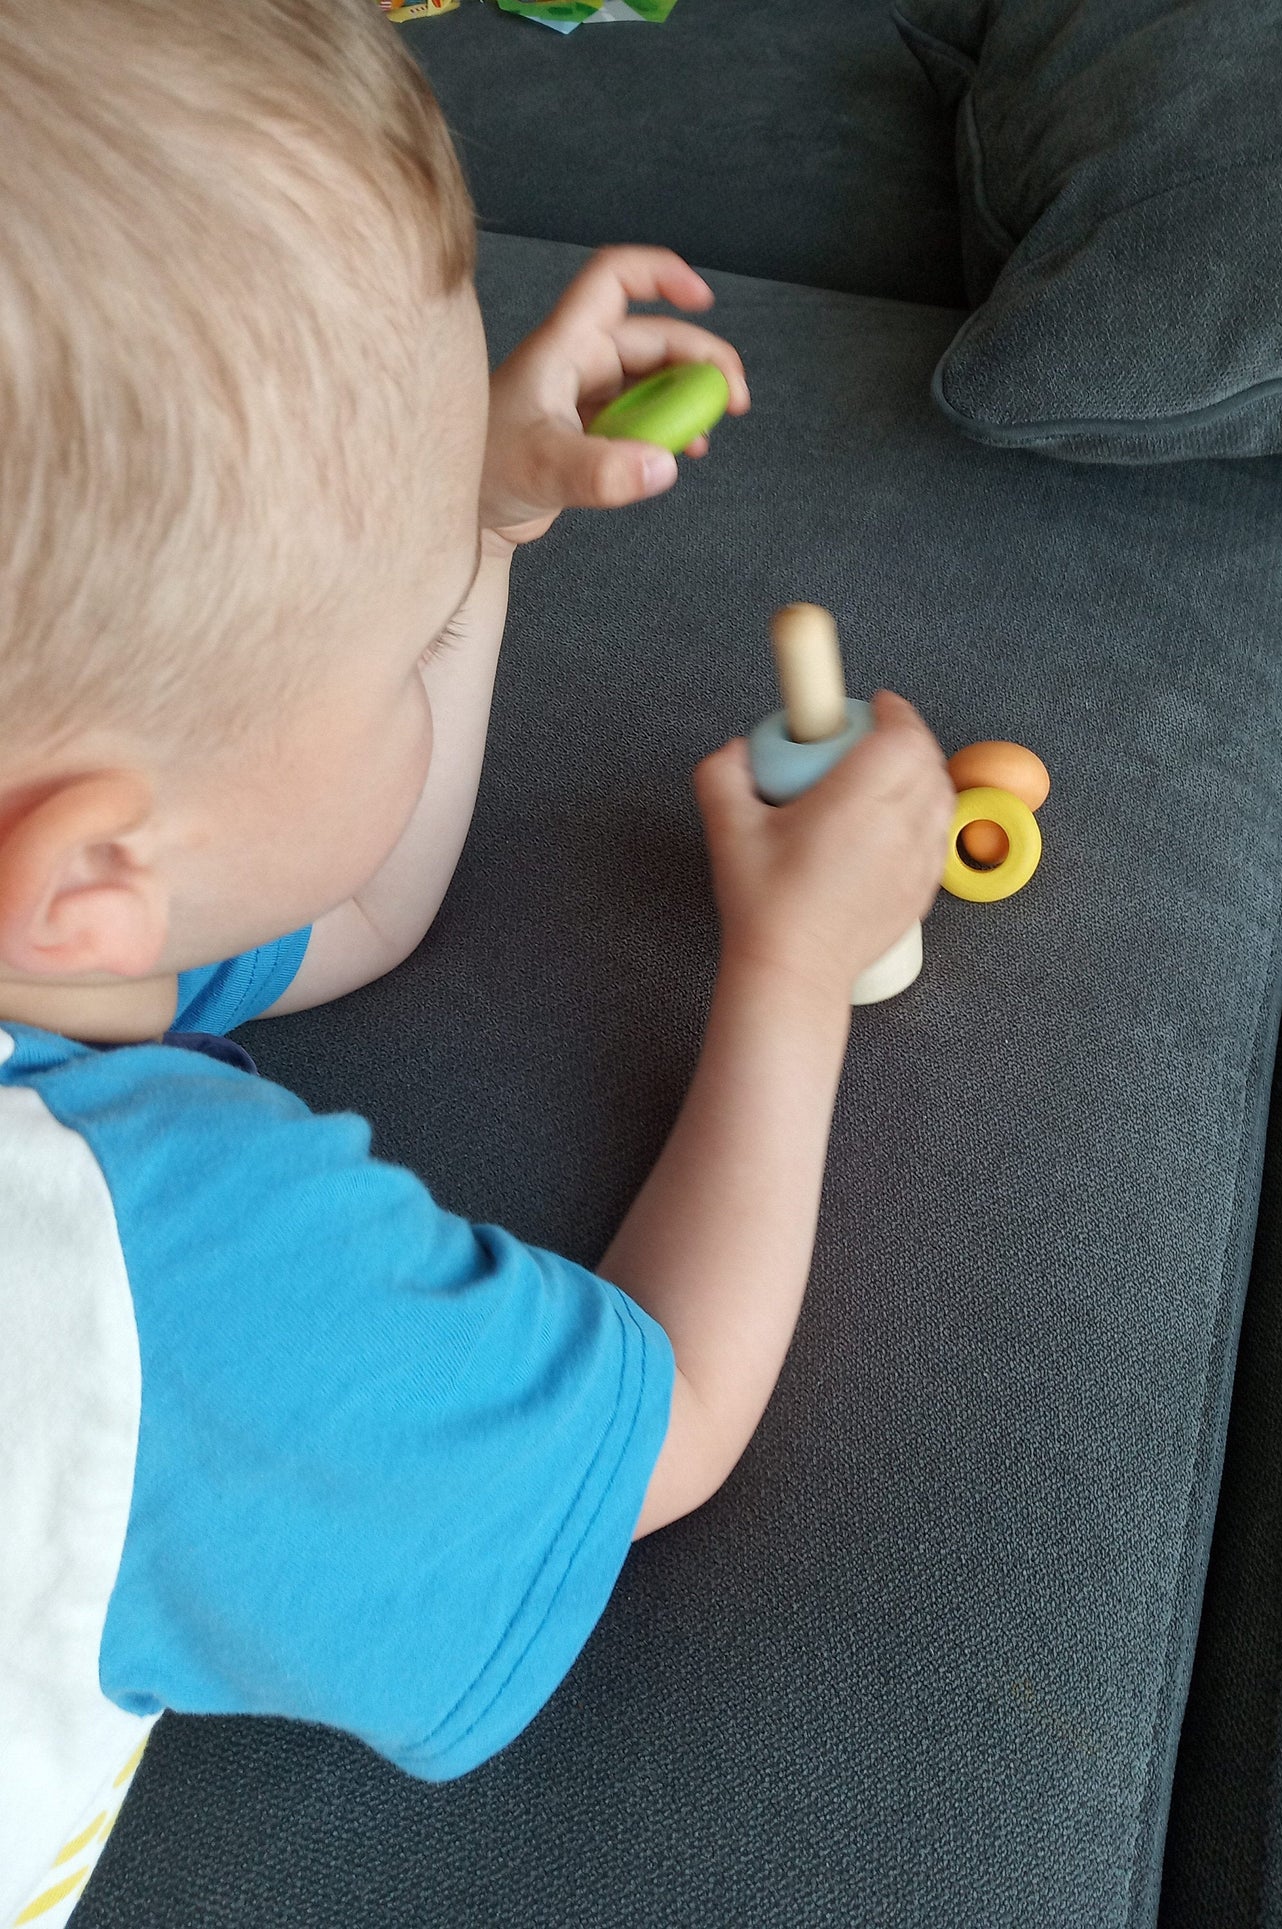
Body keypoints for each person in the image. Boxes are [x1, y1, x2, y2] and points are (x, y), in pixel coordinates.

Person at [0, 1, 955, 1918]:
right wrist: (788, 973)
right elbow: (656, 1432)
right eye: (389, 647)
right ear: (97, 867)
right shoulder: (149, 1288)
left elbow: (345, 923)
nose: (416, 641)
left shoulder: (60, 920)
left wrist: (483, 524)